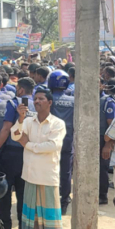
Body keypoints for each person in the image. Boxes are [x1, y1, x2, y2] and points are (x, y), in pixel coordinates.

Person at [10, 87, 65, 229]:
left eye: (41, 98)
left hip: (48, 176)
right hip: (30, 175)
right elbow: (15, 135)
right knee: (32, 217)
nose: (37, 101)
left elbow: (52, 145)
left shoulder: (57, 123)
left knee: (49, 218)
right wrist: (19, 118)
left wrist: (28, 145)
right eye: (35, 98)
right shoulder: (27, 121)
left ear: (50, 102)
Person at [0, 77, 36, 229]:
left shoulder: (13, 104)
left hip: (11, 154)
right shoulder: (37, 105)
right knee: (23, 194)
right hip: (29, 154)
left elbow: (6, 129)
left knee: (5, 193)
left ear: (20, 90)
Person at [47, 71, 75, 215]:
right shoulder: (73, 100)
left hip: (50, 141)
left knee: (50, 169)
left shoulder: (48, 100)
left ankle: (50, 200)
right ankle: (64, 201)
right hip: (68, 140)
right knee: (66, 172)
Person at [99, 80, 115, 205]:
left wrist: (107, 144)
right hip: (90, 138)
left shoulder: (108, 102)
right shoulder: (84, 98)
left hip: (102, 139)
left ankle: (102, 196)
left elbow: (111, 125)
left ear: (103, 85)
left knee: (102, 168)